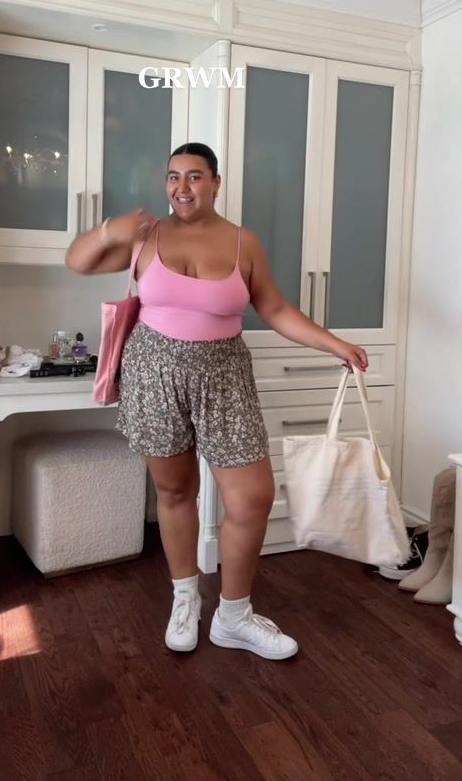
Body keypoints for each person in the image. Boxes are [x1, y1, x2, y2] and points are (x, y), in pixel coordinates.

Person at [66, 142, 368, 661]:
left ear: (216, 182)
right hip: (153, 374)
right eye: (173, 176)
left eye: (195, 176)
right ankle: (185, 598)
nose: (182, 187)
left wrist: (334, 343)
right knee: (175, 491)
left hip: (226, 377)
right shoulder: (146, 235)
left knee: (251, 497)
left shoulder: (243, 242)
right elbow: (78, 261)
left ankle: (234, 617)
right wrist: (111, 229)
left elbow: (274, 308)